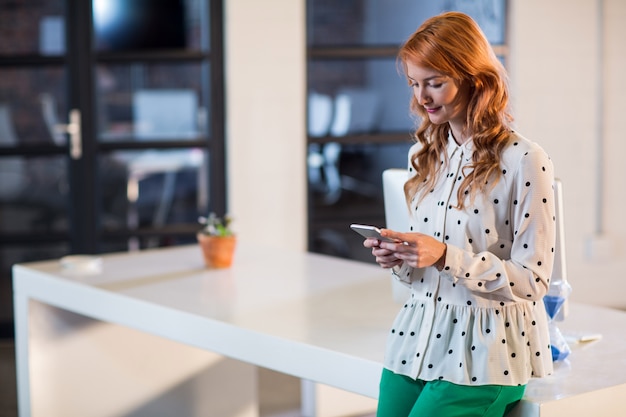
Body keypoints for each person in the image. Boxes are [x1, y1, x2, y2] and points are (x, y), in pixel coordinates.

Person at [363, 12, 556, 417]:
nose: (422, 98)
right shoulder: (425, 154)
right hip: (417, 337)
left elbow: (533, 280)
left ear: (474, 79)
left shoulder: (524, 160)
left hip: (488, 355)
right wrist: (402, 259)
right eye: (415, 84)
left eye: (434, 83)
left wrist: (446, 256)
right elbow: (428, 268)